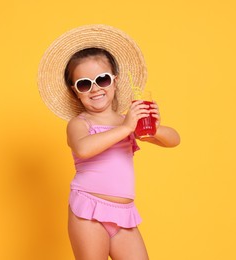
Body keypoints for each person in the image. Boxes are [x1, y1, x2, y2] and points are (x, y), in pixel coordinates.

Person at [38, 24, 180, 259]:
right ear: (76, 92)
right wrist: (126, 127)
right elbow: (83, 148)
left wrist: (153, 127)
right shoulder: (80, 123)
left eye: (102, 79)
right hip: (89, 211)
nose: (95, 89)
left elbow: (174, 140)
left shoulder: (129, 122)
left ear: (114, 80)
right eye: (84, 84)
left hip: (124, 215)